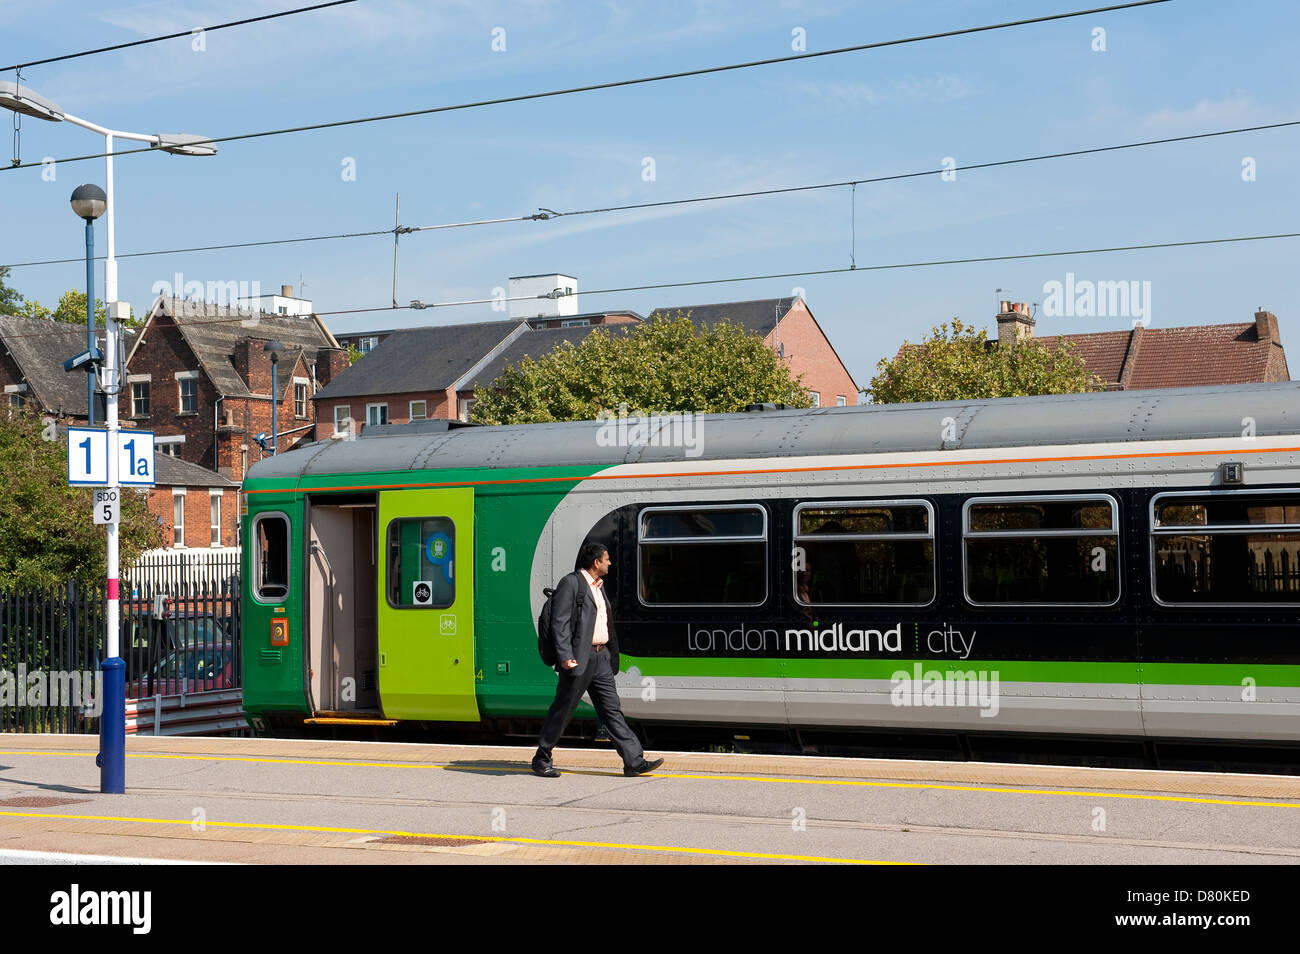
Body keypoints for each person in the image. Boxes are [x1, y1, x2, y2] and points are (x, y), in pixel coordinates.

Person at [532, 542, 664, 779]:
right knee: (564, 709)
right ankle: (542, 757)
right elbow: (559, 623)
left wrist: (611, 654)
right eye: (607, 559)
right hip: (579, 659)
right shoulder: (571, 583)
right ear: (596, 562)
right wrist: (565, 656)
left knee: (611, 710)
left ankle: (634, 761)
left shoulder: (598, 587)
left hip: (600, 658)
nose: (610, 562)